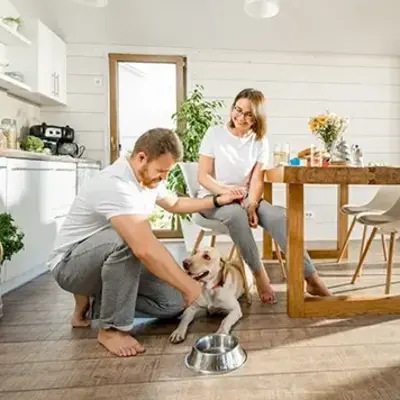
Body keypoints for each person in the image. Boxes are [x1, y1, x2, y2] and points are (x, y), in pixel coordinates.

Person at [47, 128, 244, 357]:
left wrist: (218, 199)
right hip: (70, 267)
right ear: (142, 157)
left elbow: (175, 203)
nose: (164, 177)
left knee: (175, 303)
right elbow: (144, 248)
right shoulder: (116, 184)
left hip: (110, 264)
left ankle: (97, 306)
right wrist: (189, 285)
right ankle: (111, 329)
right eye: (161, 171)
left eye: (167, 172)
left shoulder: (146, 177)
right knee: (131, 240)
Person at [197, 88, 332, 303]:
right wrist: (227, 192)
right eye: (237, 110)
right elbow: (203, 177)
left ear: (257, 118)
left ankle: (311, 277)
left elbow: (257, 179)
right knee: (235, 214)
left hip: (244, 197)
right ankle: (260, 275)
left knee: (279, 217)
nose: (240, 117)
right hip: (213, 198)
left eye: (248, 114)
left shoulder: (260, 141)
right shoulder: (214, 134)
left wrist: (251, 205)